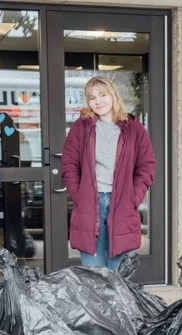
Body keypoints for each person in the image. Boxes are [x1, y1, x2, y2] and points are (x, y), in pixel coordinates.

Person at [61, 76, 156, 271]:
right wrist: (79, 196)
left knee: (119, 275)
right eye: (92, 97)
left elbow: (146, 166)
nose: (98, 101)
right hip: (90, 204)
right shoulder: (81, 128)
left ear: (113, 95)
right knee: (93, 276)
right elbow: (69, 165)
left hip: (122, 204)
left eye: (102, 95)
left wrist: (133, 197)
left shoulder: (134, 129)